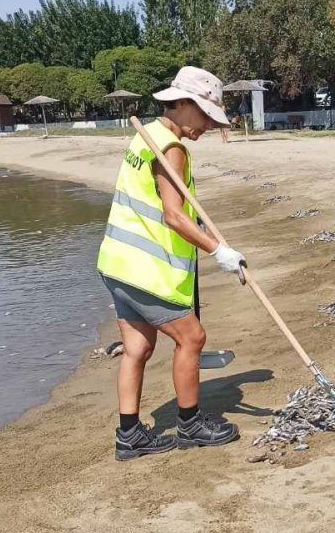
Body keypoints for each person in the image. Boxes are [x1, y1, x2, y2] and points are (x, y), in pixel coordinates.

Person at [96, 66, 247, 461]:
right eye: (204, 115)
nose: (208, 126)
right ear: (180, 104)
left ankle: (129, 436)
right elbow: (174, 216)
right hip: (146, 268)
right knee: (192, 337)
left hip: (116, 262)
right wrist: (221, 252)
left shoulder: (148, 135)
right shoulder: (171, 147)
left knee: (137, 348)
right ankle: (190, 422)